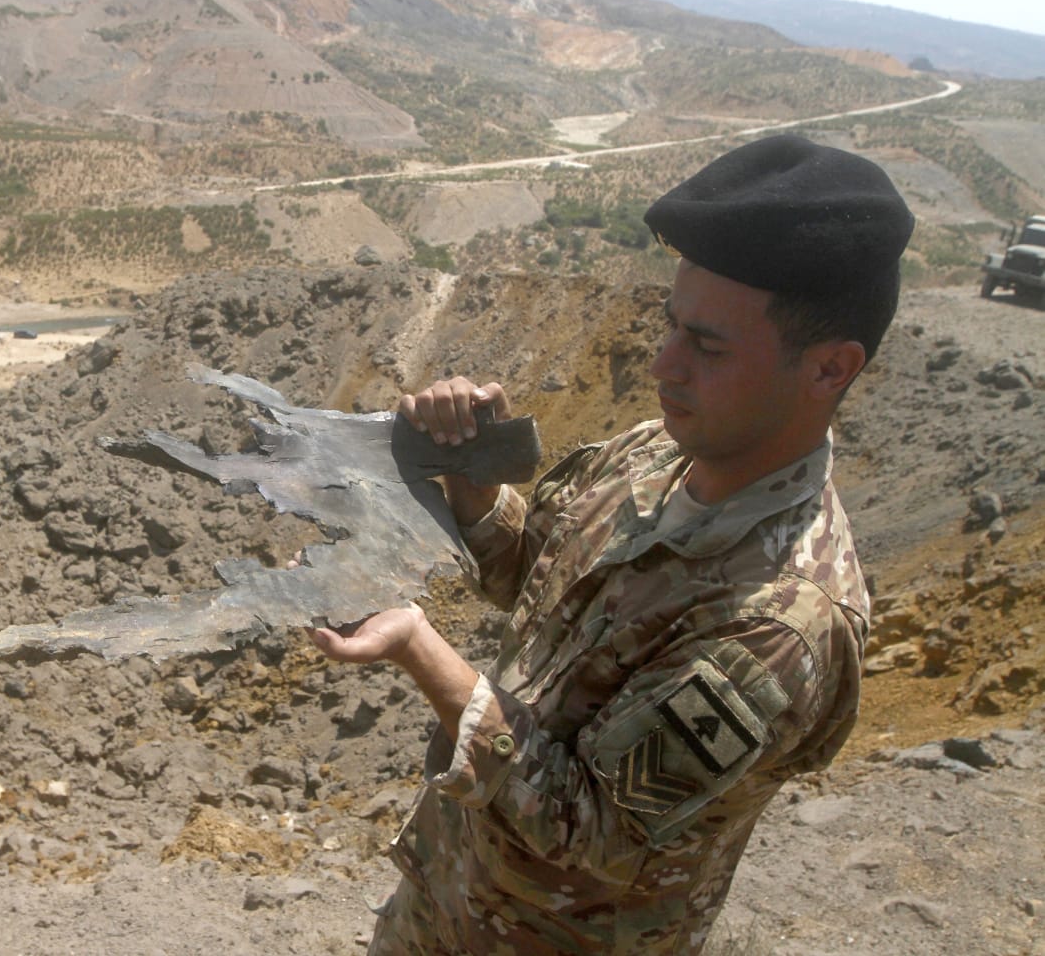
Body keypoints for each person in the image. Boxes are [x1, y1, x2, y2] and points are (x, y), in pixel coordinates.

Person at [307, 133, 915, 954]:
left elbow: (589, 827)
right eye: (673, 327)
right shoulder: (656, 454)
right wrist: (476, 495)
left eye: (707, 346)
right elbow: (542, 578)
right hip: (449, 909)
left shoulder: (781, 624)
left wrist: (424, 653)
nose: (663, 365)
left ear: (829, 370)